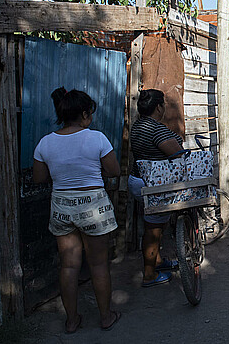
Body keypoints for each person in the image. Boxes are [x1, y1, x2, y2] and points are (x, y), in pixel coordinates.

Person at [32, 87, 122, 333]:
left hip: (62, 205)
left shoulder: (45, 143)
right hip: (93, 204)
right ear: (84, 114)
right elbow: (114, 171)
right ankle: (106, 317)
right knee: (99, 265)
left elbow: (39, 178)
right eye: (89, 113)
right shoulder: (97, 138)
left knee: (69, 266)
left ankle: (71, 321)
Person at [128, 89, 185, 287]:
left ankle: (158, 261)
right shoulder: (156, 129)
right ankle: (149, 274)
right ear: (159, 107)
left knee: (155, 224)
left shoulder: (138, 126)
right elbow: (177, 154)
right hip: (153, 184)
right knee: (153, 229)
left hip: (138, 180)